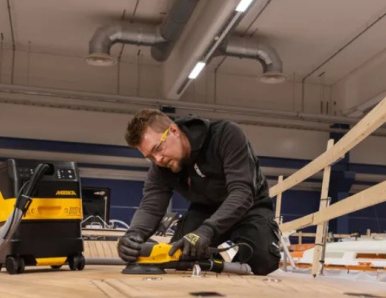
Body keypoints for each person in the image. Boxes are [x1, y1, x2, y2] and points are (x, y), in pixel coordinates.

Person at [117, 109, 281, 275]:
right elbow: (151, 206)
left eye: (158, 148)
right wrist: (133, 235)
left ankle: (227, 262)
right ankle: (211, 263)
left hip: (249, 207)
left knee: (262, 261)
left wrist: (206, 231)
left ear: (173, 131)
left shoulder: (225, 135)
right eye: (150, 157)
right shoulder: (161, 166)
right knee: (180, 257)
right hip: (205, 210)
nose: (158, 159)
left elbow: (241, 192)